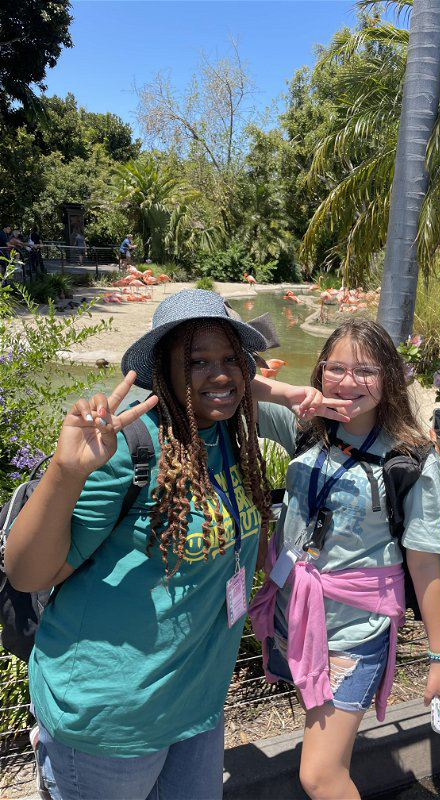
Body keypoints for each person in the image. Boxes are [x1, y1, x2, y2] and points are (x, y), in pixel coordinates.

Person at [5, 289, 349, 800]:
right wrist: (66, 471)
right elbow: (29, 574)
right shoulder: (128, 446)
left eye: (230, 358)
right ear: (163, 370)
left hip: (196, 704)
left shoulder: (229, 433)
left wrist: (282, 393)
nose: (219, 373)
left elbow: (253, 391)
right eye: (196, 361)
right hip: (111, 715)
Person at [250, 318, 440, 800]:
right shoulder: (305, 428)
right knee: (330, 759)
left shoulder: (410, 458)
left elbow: (424, 560)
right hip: (295, 616)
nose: (348, 382)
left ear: (388, 378)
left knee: (319, 776)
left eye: (365, 370)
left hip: (355, 630)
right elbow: (231, 389)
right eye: (336, 368)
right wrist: (287, 392)